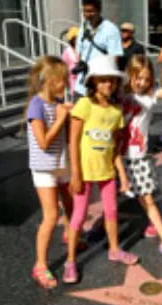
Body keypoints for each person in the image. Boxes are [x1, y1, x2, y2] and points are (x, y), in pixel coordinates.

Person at [63, 55, 138, 284]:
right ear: (93, 81)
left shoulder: (116, 111)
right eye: (102, 80)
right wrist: (75, 174)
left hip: (107, 173)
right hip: (84, 173)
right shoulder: (84, 105)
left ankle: (114, 249)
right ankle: (70, 261)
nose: (107, 84)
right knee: (79, 215)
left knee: (112, 211)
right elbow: (73, 141)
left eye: (111, 81)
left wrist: (122, 176)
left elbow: (115, 149)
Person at [120, 54, 162, 262]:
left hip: (138, 158)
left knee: (148, 200)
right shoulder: (119, 94)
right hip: (114, 158)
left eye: (146, 78)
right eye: (138, 78)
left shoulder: (150, 95)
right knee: (105, 200)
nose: (142, 82)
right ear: (130, 75)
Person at [25, 56, 74, 289]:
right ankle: (40, 264)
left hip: (61, 163)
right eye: (63, 80)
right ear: (51, 80)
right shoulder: (36, 105)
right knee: (51, 216)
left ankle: (70, 236)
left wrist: (66, 113)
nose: (66, 84)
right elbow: (43, 142)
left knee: (72, 206)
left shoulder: (56, 102)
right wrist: (61, 117)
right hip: (44, 168)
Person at [73, 0, 124, 98]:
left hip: (99, 87)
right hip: (81, 85)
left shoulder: (110, 29)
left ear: (99, 10)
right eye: (84, 11)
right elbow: (78, 52)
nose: (87, 15)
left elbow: (115, 58)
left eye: (91, 11)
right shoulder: (83, 28)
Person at [62, 26, 80, 95]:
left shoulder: (84, 49)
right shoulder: (67, 52)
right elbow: (63, 68)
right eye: (76, 38)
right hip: (74, 84)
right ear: (72, 39)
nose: (78, 40)